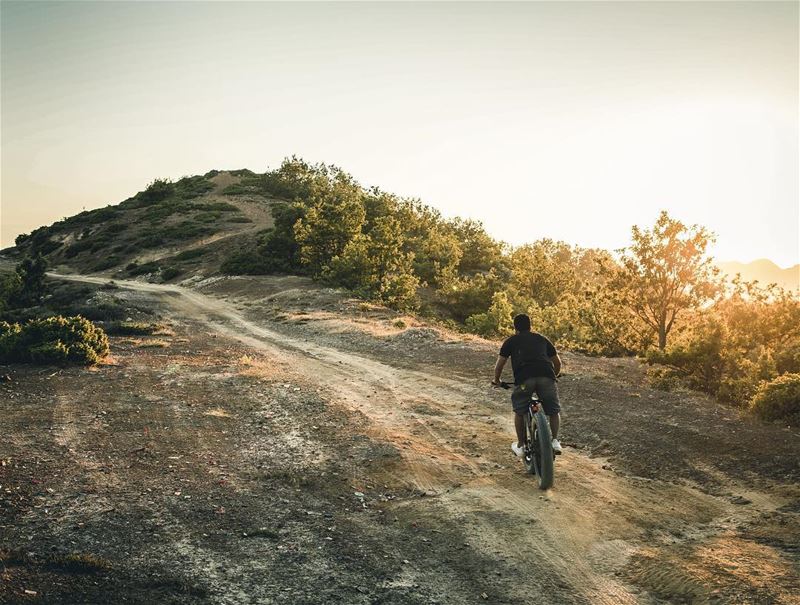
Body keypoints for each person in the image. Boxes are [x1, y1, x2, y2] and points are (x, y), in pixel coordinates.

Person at [491, 313, 562, 456]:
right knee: (553, 410)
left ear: (515, 327)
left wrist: (497, 380)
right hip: (546, 376)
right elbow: (557, 363)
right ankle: (555, 441)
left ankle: (521, 446)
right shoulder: (542, 339)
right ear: (530, 326)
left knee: (520, 411)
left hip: (524, 380)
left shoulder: (511, 341)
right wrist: (554, 375)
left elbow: (499, 366)